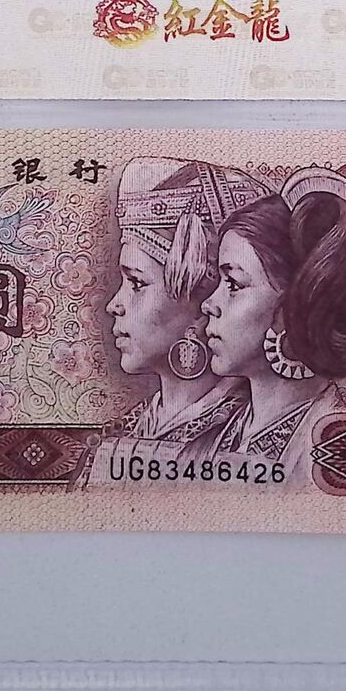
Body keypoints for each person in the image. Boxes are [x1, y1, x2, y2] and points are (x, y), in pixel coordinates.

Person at [186, 166, 346, 483]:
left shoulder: (339, 449)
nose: (209, 304)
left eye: (233, 284)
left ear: (296, 305)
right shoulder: (209, 436)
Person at [80, 157, 269, 486]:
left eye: (137, 283)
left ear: (201, 304)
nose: (114, 305)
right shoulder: (127, 431)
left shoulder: (252, 435)